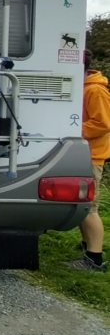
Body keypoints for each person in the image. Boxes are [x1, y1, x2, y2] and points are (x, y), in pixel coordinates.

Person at [72, 49, 109, 271]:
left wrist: (72, 129)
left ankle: (95, 259)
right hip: (83, 153)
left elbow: (103, 123)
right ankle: (87, 246)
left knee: (89, 208)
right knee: (82, 205)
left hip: (92, 155)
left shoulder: (95, 90)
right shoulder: (85, 88)